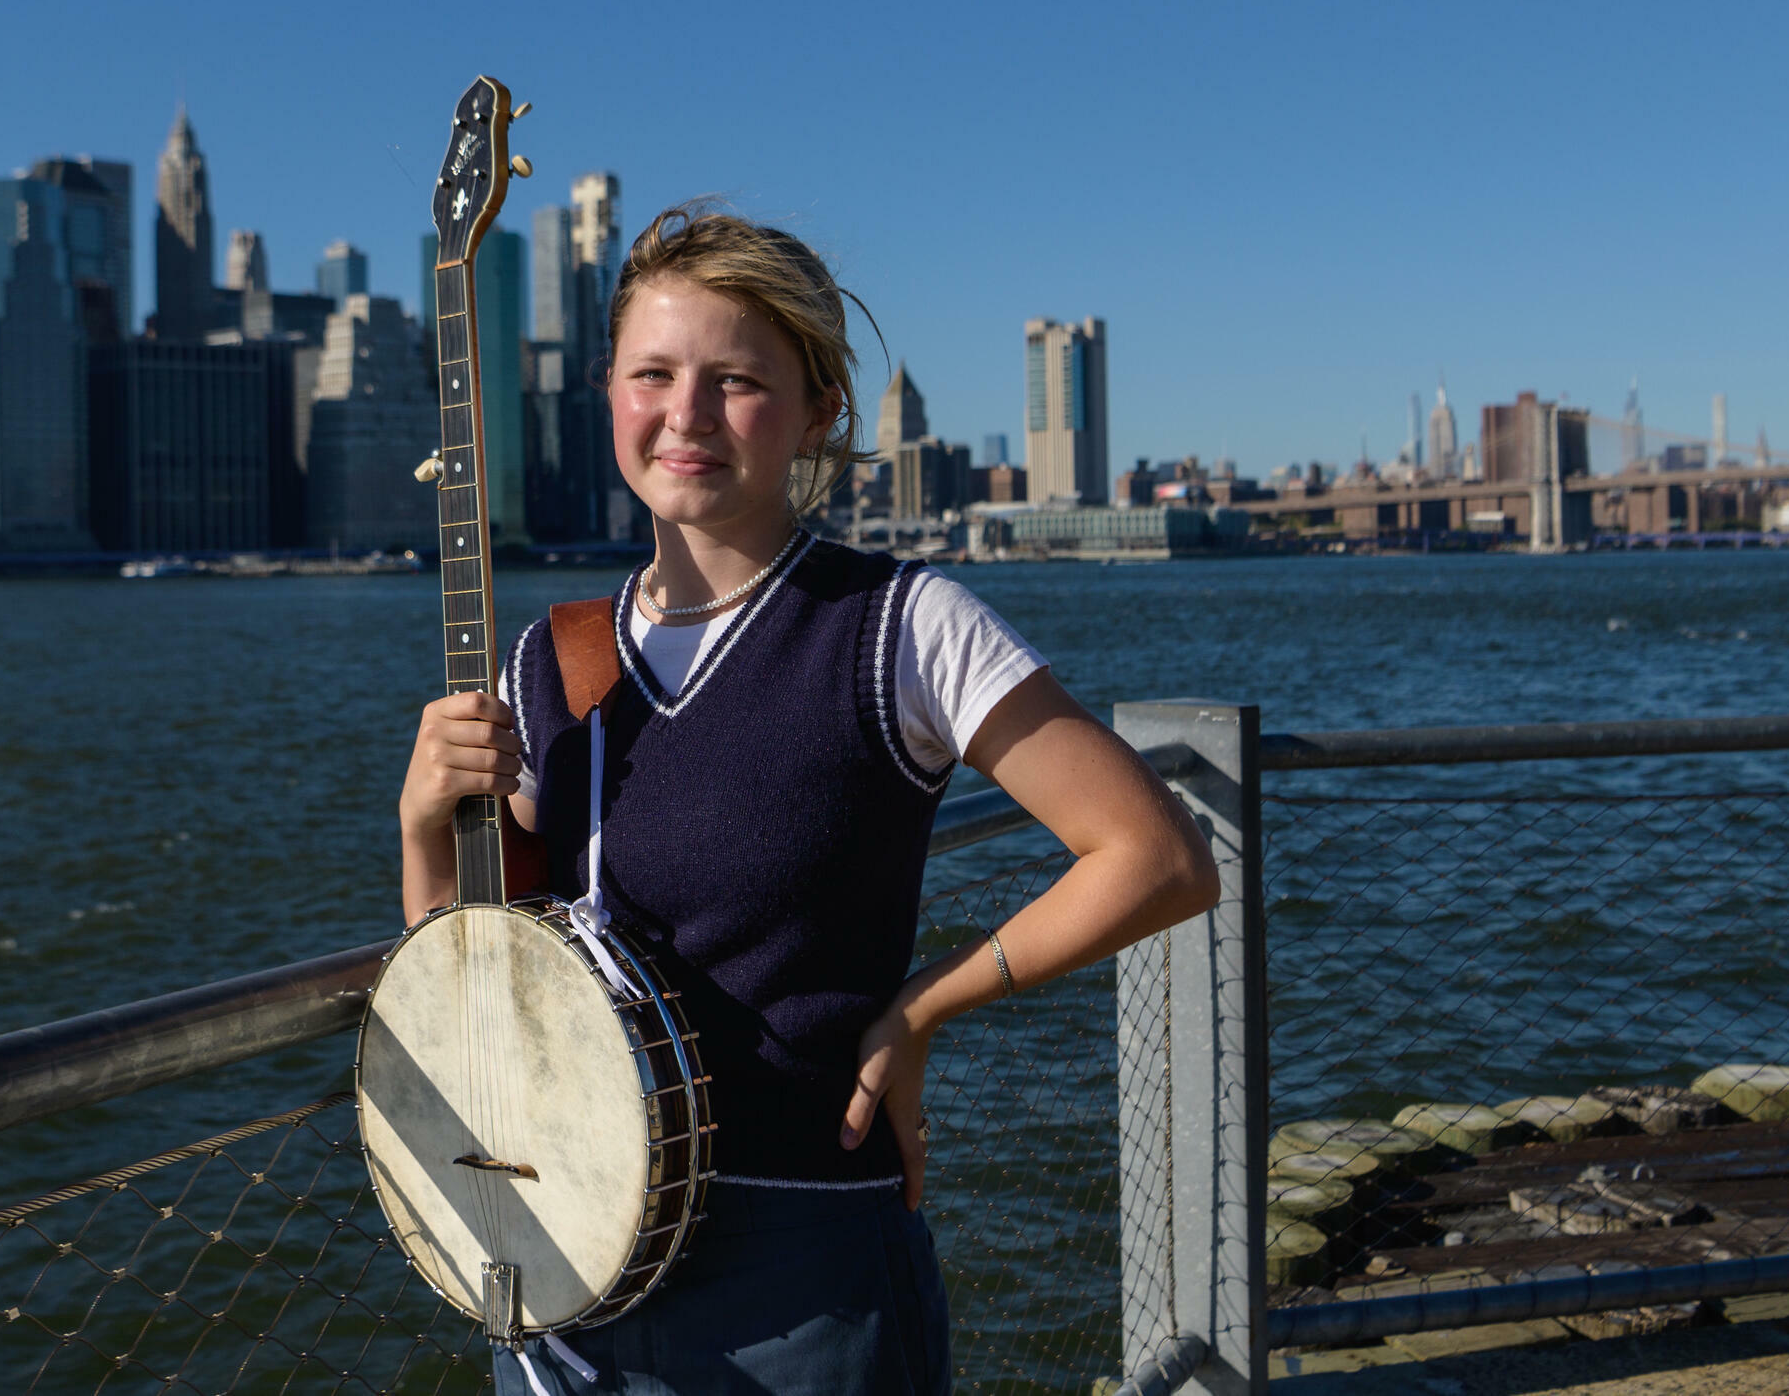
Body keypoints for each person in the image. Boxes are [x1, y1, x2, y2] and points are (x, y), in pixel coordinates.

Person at [399, 205, 1219, 1396]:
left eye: (735, 382)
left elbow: (1155, 856)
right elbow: (469, 987)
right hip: (558, 1270)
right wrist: (423, 824)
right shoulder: (545, 661)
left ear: (816, 411)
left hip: (800, 1276)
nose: (684, 416)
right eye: (652, 374)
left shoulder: (898, 629)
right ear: (607, 394)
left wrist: (925, 1006)